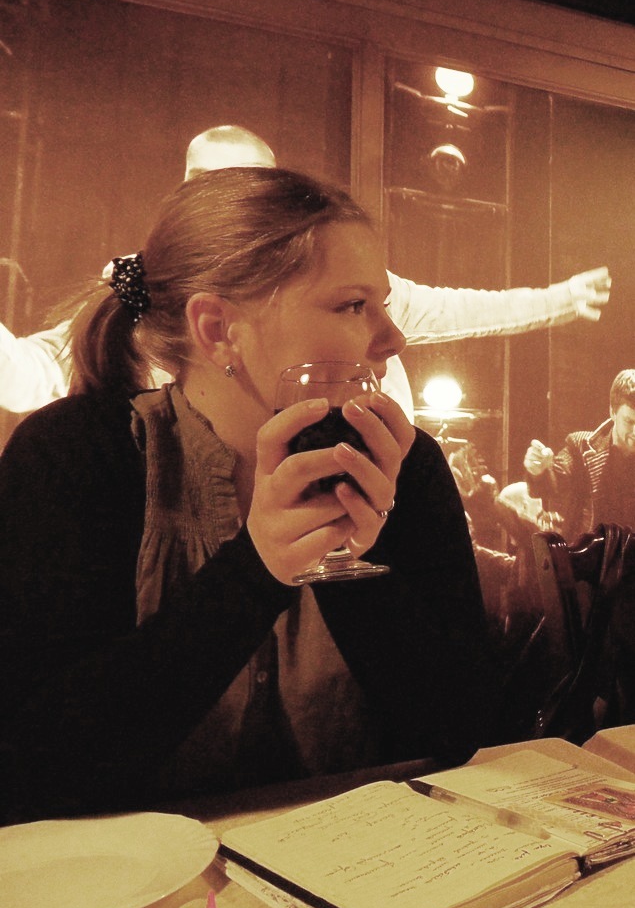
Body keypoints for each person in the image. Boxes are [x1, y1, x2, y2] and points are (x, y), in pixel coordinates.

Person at [0, 166, 498, 824]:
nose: (392, 339)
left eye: (382, 303)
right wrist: (256, 572)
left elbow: (460, 727)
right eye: (353, 305)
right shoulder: (76, 455)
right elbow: (35, 769)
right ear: (218, 330)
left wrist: (347, 563)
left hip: (359, 861)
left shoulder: (405, 466)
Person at [0, 126, 612, 418]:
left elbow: (453, 309)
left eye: (245, 183)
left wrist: (558, 300)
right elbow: (34, 371)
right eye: (209, 182)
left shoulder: (336, 274)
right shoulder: (138, 290)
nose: (225, 199)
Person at [524, 369, 635, 543]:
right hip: (589, 556)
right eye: (629, 421)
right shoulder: (581, 447)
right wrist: (539, 470)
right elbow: (554, 483)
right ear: (612, 412)